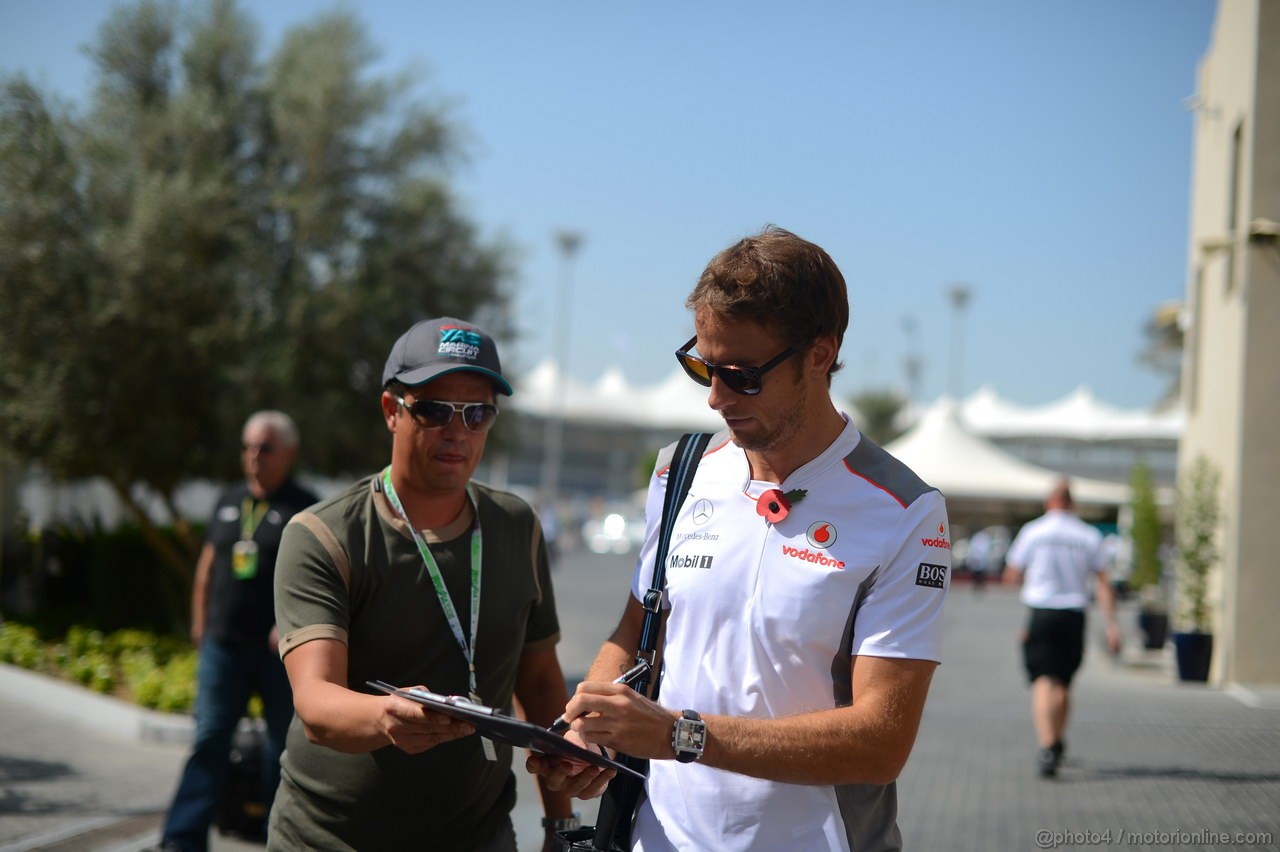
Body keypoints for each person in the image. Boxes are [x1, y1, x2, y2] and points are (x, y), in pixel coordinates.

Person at [528, 226, 951, 851]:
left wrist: (679, 736)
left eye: (742, 375)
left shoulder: (906, 510)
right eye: (703, 366)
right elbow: (636, 633)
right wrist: (591, 727)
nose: (716, 398)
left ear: (819, 354)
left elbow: (880, 743)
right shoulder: (680, 472)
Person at [269, 317, 577, 851]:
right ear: (392, 411)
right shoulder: (323, 534)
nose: (457, 430)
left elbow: (542, 684)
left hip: (477, 837)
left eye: (476, 413)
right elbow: (316, 703)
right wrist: (387, 717)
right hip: (330, 839)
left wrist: (560, 826)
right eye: (434, 410)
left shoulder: (516, 526)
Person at [154, 411, 319, 852]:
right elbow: (208, 566)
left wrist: (289, 624)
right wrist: (198, 624)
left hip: (277, 655)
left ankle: (279, 839)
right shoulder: (228, 500)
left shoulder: (304, 507)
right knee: (208, 740)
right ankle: (181, 840)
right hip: (222, 648)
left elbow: (316, 579)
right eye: (247, 446)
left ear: (289, 453)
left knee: (282, 751)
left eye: (264, 448)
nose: (252, 456)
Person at [1002, 478, 1121, 778]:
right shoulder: (1087, 535)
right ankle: (1056, 740)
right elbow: (1104, 584)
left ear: (1049, 502)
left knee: (1043, 680)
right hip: (1074, 613)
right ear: (1072, 503)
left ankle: (1047, 745)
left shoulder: (1034, 531)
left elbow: (1011, 575)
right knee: (1064, 682)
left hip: (1042, 612)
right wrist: (1112, 626)